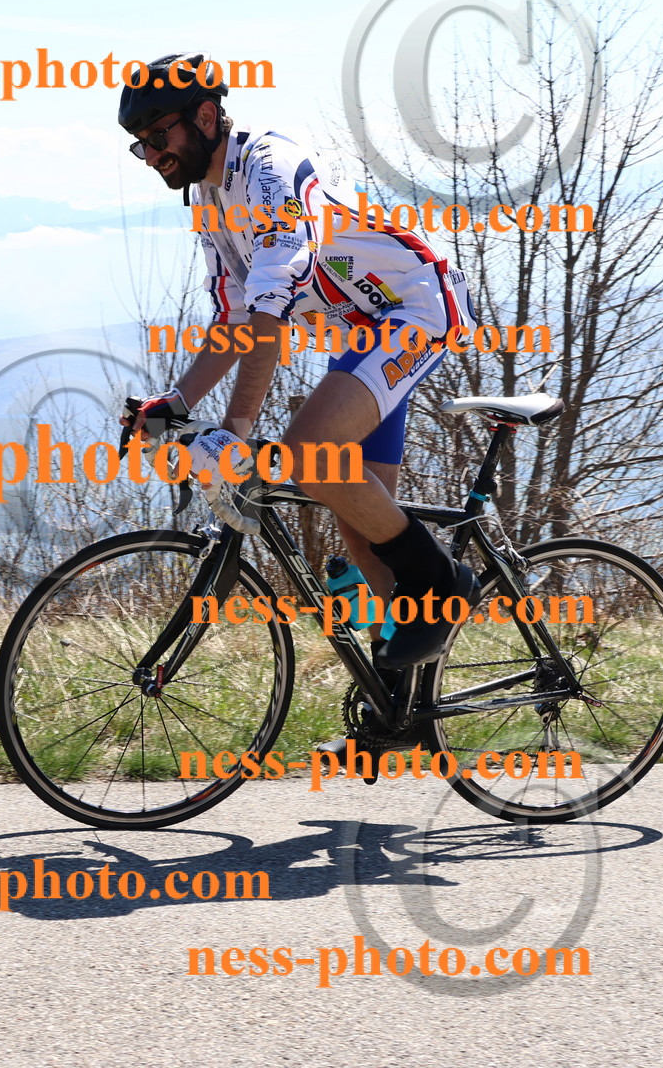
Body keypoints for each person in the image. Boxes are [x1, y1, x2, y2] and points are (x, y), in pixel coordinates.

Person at [118, 51, 477, 709]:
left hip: (417, 306)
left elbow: (270, 309)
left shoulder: (269, 168)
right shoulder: (208, 196)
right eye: (140, 146)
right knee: (358, 523)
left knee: (308, 455)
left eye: (157, 135)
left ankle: (444, 582)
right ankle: (396, 708)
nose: (151, 154)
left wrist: (235, 433)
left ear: (204, 116)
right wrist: (175, 404)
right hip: (365, 332)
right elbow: (232, 316)